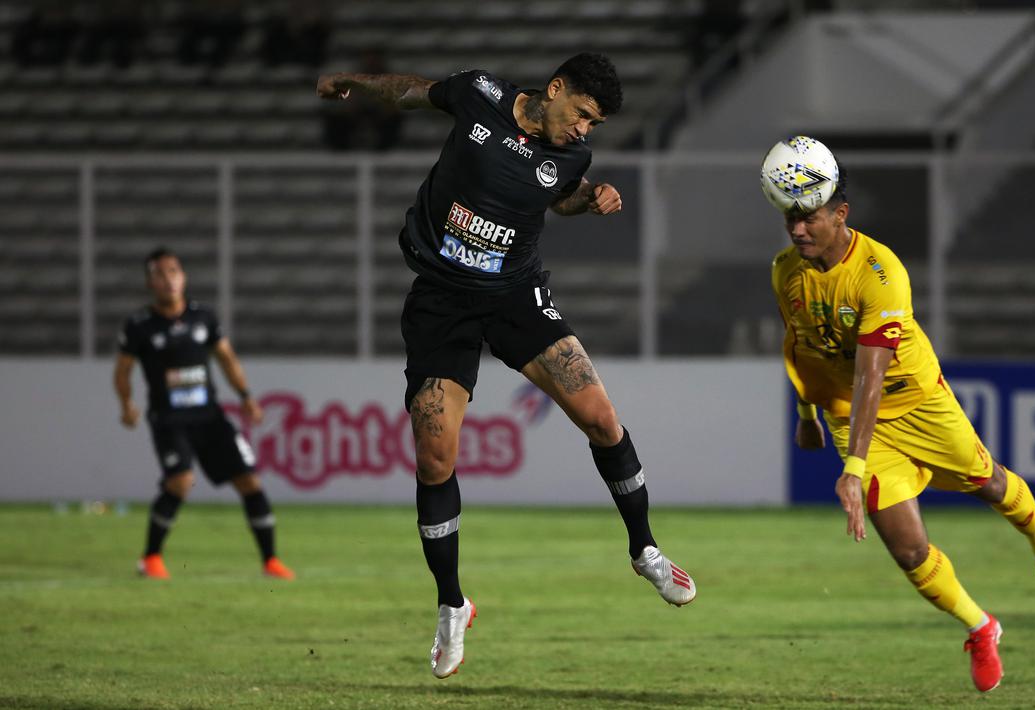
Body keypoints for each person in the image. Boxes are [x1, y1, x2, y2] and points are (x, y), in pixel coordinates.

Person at [316, 53, 696, 679]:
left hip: (516, 297)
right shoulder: (478, 95)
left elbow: (559, 198)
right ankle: (451, 604)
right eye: (581, 115)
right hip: (442, 301)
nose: (584, 131)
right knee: (435, 457)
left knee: (602, 419)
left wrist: (590, 200)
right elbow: (412, 90)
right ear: (554, 91)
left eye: (594, 124)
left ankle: (645, 549)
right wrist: (356, 81)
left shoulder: (573, 157)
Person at [766, 137, 1035, 693]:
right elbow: (802, 346)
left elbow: (872, 377)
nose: (797, 230)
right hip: (849, 416)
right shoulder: (786, 271)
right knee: (908, 550)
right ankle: (981, 627)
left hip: (917, 404)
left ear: (840, 213)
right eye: (790, 218)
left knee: (989, 483)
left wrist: (853, 471)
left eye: (808, 218)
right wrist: (806, 412)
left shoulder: (881, 274)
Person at [113, 248, 294, 581]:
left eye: (173, 271)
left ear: (183, 277)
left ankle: (271, 561)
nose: (167, 278)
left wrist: (246, 397)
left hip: (209, 417)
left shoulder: (203, 318)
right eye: (159, 273)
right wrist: (126, 404)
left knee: (250, 481)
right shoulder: (140, 325)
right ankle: (151, 558)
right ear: (149, 282)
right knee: (180, 481)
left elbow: (227, 359)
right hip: (168, 419)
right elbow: (123, 371)